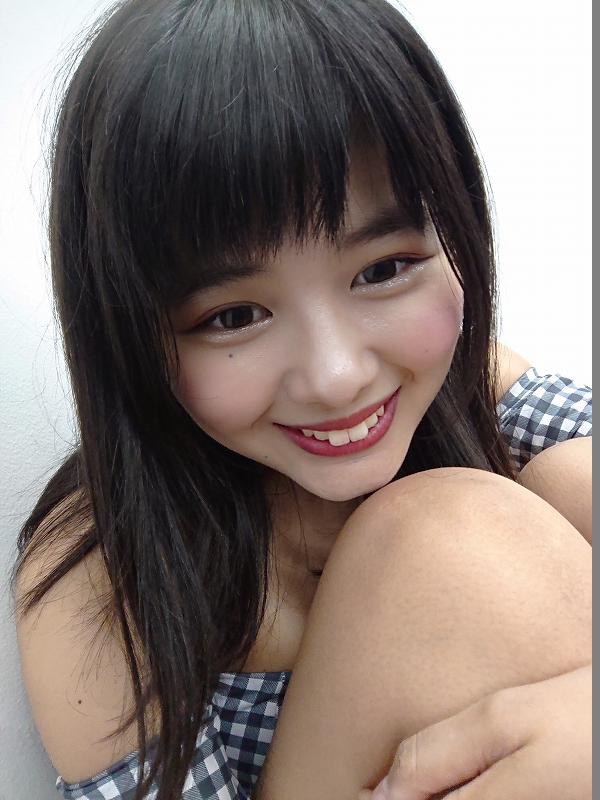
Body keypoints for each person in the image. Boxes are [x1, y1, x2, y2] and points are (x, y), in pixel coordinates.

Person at [13, 1, 591, 799]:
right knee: (446, 546)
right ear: (131, 340)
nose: (336, 375)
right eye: (234, 316)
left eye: (383, 270)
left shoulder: (478, 390)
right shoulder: (103, 578)